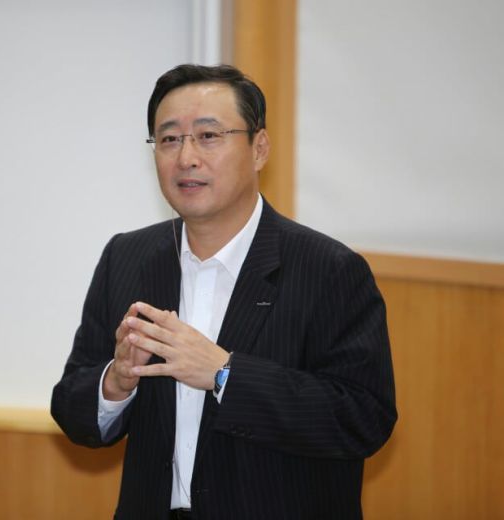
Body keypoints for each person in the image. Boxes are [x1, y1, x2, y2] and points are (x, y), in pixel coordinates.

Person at [51, 64, 397, 519]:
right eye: (169, 139)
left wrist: (224, 374)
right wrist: (116, 382)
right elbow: (72, 409)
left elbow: (363, 418)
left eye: (209, 136)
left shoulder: (330, 269)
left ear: (259, 148)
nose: (186, 157)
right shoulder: (127, 258)